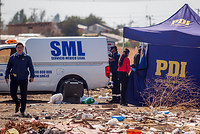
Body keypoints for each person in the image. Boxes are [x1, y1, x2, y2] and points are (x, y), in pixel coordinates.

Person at [5, 42, 35, 117]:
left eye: (21, 47)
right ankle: (17, 103)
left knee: (23, 95)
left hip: (23, 78)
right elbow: (8, 67)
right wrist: (6, 76)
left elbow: (31, 67)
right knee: (12, 93)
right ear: (16, 49)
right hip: (14, 78)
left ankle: (22, 110)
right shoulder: (12, 57)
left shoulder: (27, 57)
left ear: (23, 48)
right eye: (18, 48)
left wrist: (32, 76)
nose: (19, 49)